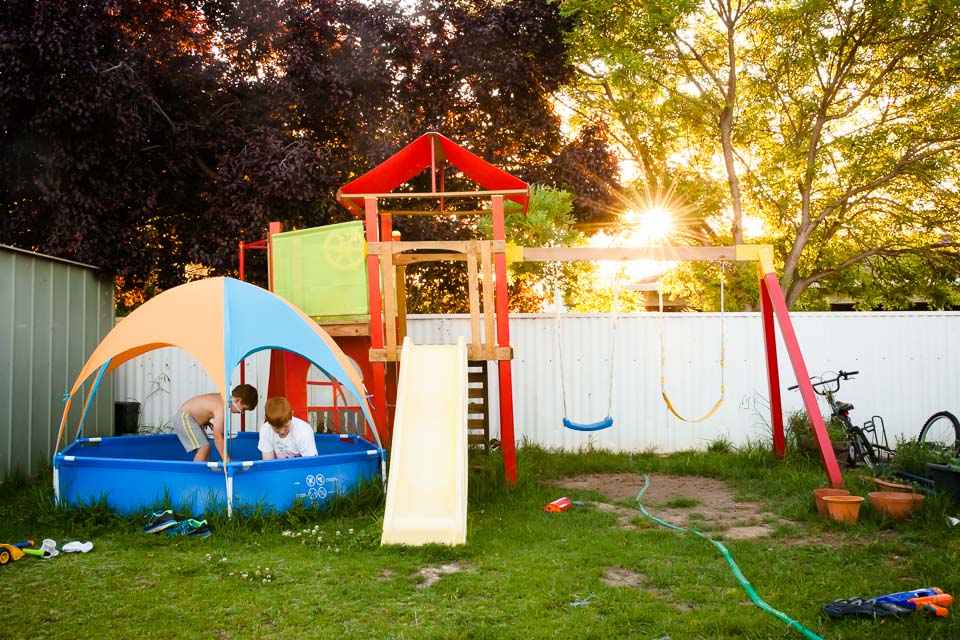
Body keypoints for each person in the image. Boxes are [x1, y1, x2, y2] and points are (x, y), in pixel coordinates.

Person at [174, 384, 258, 463]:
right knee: (204, 447)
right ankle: (197, 475)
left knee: (208, 447)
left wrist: (204, 418)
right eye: (243, 409)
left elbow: (204, 405)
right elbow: (217, 435)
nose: (242, 412)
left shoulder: (221, 397)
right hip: (184, 418)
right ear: (238, 400)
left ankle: (204, 471)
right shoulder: (221, 406)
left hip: (189, 417)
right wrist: (226, 459)